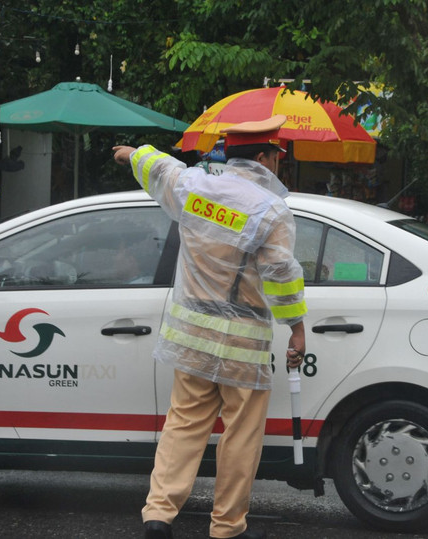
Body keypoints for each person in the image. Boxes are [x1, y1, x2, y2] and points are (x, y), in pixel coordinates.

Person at [112, 114, 307, 539]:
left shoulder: (195, 188)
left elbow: (161, 167)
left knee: (183, 424)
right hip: (242, 343)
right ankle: (227, 527)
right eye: (276, 157)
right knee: (240, 434)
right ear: (262, 158)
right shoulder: (271, 211)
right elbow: (279, 272)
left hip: (192, 335)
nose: (278, 165)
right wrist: (296, 325)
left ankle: (158, 513)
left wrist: (130, 153)